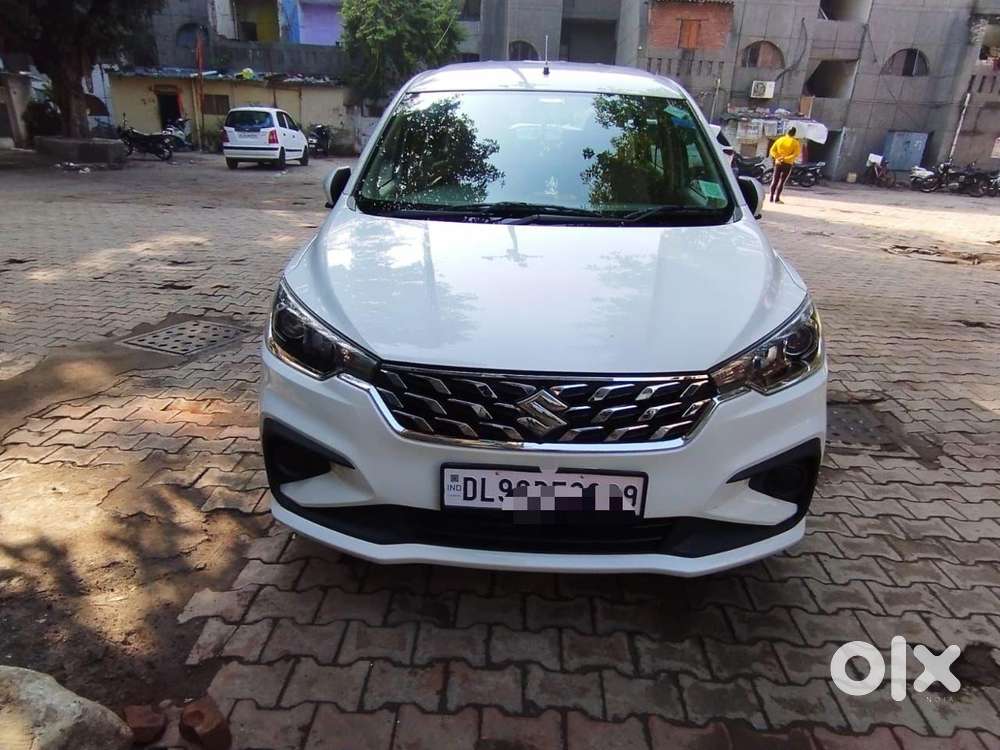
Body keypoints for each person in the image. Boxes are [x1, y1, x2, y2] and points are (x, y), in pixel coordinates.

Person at [768, 127, 801, 203]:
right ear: (794, 134)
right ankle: (777, 199)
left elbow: (772, 150)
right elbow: (796, 154)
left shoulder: (780, 140)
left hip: (778, 163)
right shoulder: (795, 142)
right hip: (787, 164)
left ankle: (771, 198)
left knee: (775, 180)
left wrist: (778, 157)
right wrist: (785, 158)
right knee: (782, 181)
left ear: (787, 132)